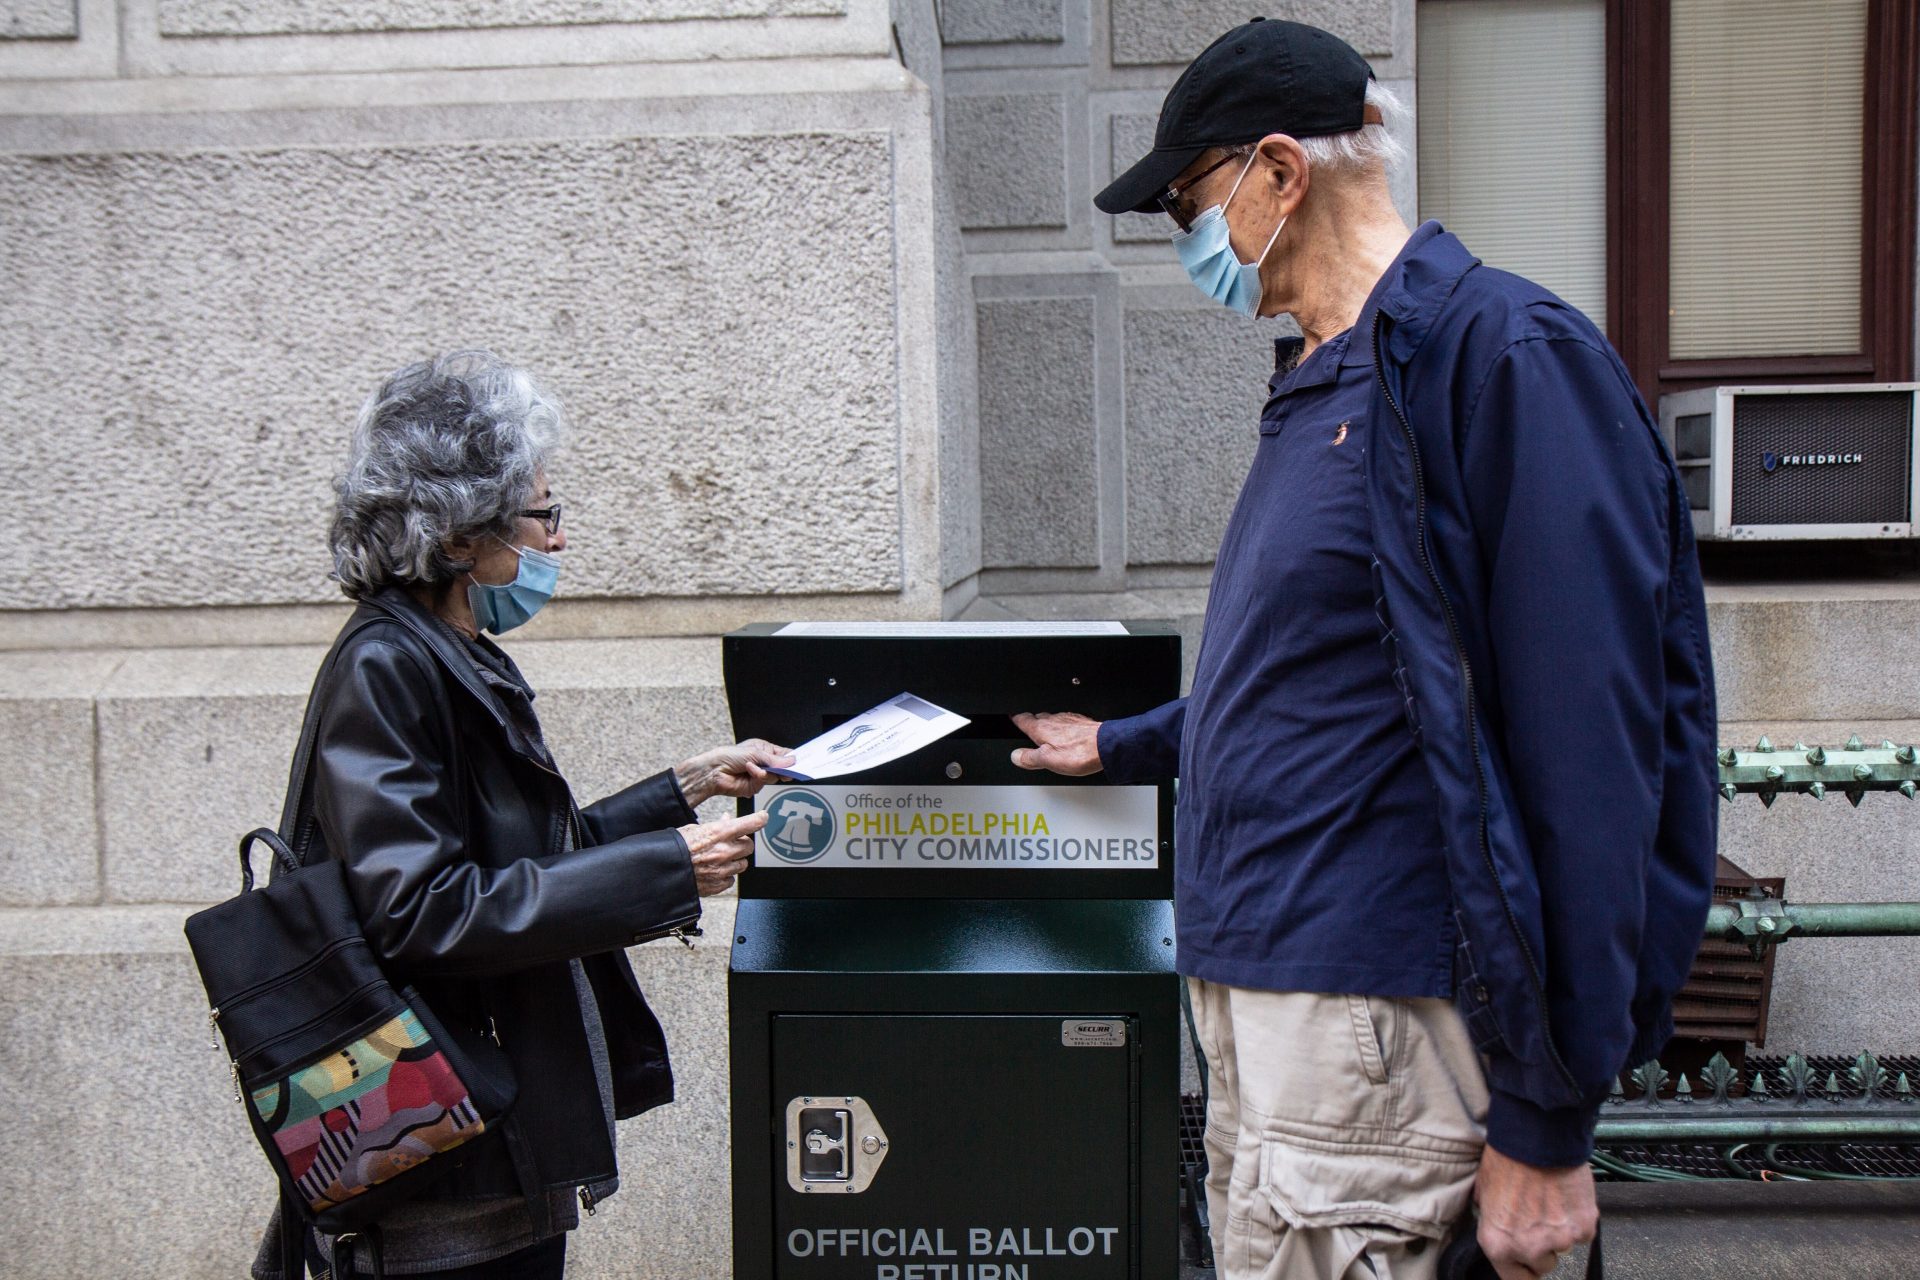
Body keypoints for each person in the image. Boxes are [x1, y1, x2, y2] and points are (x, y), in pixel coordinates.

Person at [1011, 19, 1717, 1280]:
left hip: (1377, 1029)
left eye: (1191, 199)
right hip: (1277, 1017)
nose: (1192, 239)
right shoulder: (1335, 380)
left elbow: (1598, 753)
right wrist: (1120, 742)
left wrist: (1549, 1119)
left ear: (1280, 173)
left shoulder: (1499, 359)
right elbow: (1321, 677)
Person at [253, 350, 790, 1278]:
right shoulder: (388, 667)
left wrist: (686, 790)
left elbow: (519, 858)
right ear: (462, 536)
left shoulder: (449, 650)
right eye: (543, 515)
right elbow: (426, 912)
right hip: (445, 1169)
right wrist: (669, 868)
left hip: (488, 1134)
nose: (558, 541)